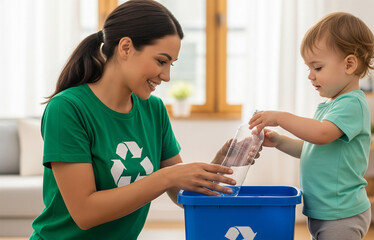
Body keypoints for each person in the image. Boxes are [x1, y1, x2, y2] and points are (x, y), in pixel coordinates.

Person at [30, 1, 242, 239]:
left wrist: (220, 165)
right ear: (126, 47)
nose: (167, 76)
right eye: (161, 61)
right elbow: (85, 213)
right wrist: (166, 176)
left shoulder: (154, 110)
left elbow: (181, 196)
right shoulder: (68, 109)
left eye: (171, 64)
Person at [249, 12, 374, 240]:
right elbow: (313, 149)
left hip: (341, 214)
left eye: (317, 68)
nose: (310, 76)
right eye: (308, 68)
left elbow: (319, 134)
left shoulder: (352, 105)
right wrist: (279, 141)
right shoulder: (332, 106)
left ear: (349, 64)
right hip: (325, 212)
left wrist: (280, 117)